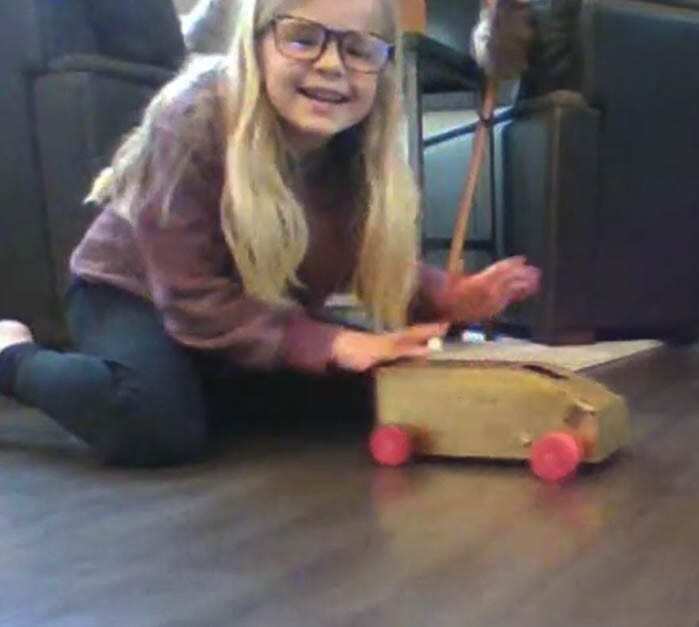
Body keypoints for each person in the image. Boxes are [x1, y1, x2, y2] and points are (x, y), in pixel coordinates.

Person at [0, 0, 541, 467]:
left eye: (358, 49)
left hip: (248, 310)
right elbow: (188, 295)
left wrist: (447, 295)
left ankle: (203, 383)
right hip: (134, 294)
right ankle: (13, 356)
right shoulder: (194, 117)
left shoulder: (356, 152)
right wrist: (331, 341)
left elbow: (362, 253)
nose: (332, 65)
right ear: (254, 45)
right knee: (154, 422)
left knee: (376, 386)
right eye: (302, 39)